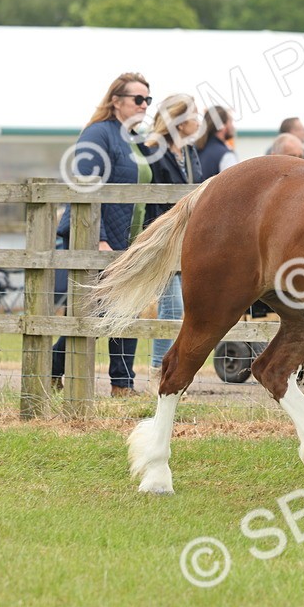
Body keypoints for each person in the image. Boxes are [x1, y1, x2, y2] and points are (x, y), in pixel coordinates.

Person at [51, 73, 154, 397]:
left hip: (129, 240)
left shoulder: (135, 139)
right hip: (97, 237)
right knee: (94, 314)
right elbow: (85, 186)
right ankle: (51, 367)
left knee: (129, 309)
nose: (144, 105)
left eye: (148, 100)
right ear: (116, 101)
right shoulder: (98, 134)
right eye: (138, 99)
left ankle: (122, 385)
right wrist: (98, 237)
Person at [145, 94, 203, 371]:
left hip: (187, 238)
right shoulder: (153, 149)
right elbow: (152, 195)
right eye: (193, 114)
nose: (198, 120)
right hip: (163, 237)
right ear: (179, 121)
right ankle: (160, 368)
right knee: (171, 306)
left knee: (181, 306)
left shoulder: (190, 153)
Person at [194, 105, 238, 179]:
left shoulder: (194, 152)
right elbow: (234, 186)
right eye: (230, 121)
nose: (233, 126)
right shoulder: (226, 155)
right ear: (221, 126)